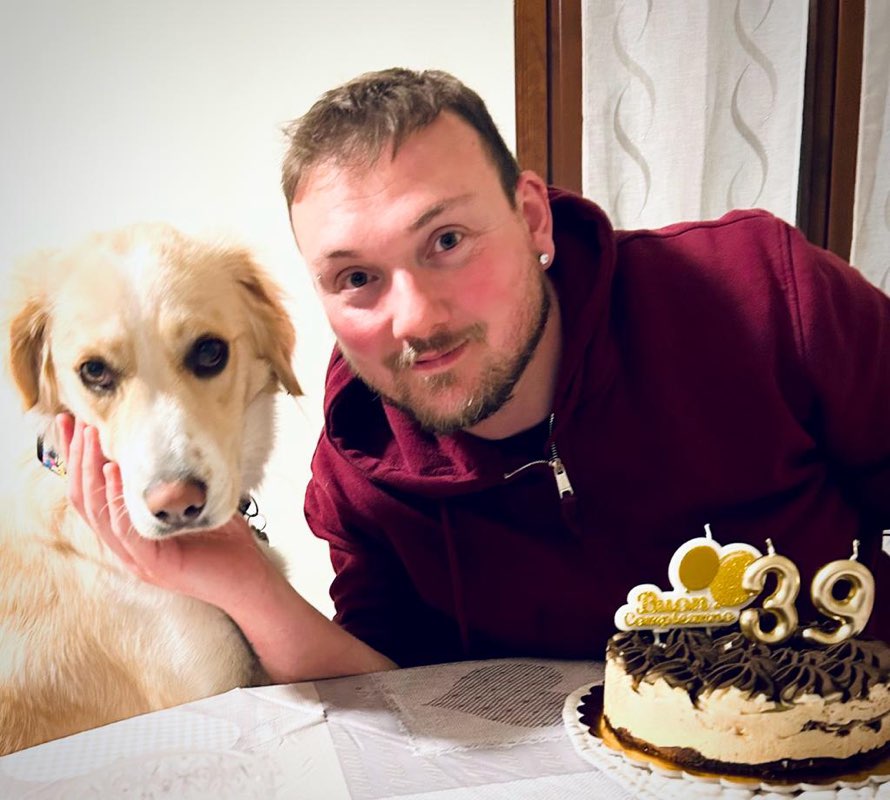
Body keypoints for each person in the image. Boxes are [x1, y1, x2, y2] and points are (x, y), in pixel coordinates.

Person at [61, 68, 890, 679]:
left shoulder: (764, 292)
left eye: (447, 241)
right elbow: (392, 699)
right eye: (357, 278)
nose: (414, 318)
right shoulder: (360, 472)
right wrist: (242, 580)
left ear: (531, 216)